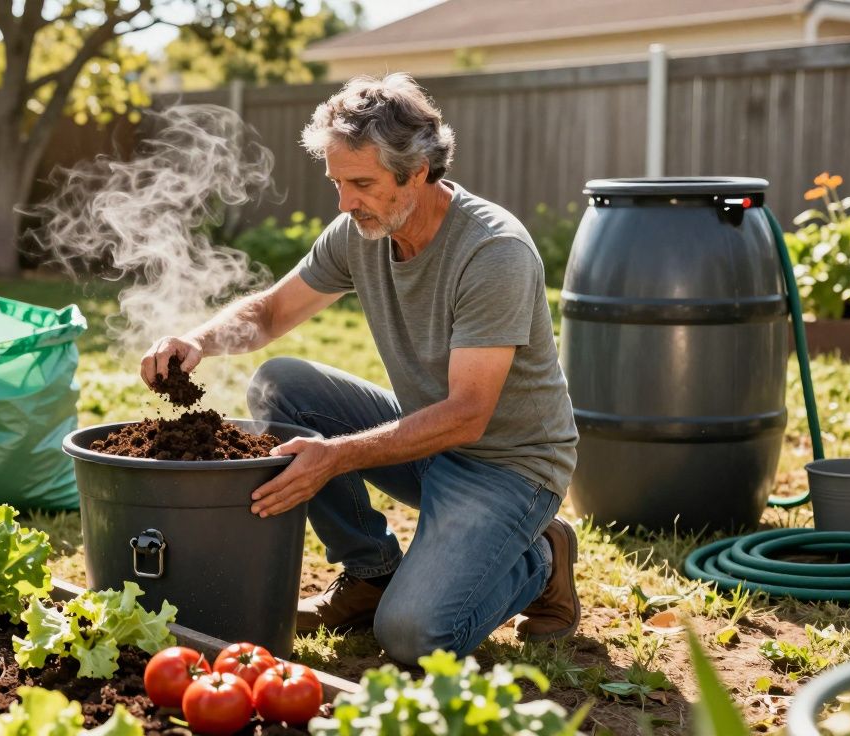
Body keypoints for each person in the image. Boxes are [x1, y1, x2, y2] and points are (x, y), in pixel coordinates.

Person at [139, 73, 580, 663]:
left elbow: (469, 416)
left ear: (419, 170)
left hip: (507, 466)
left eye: (362, 184)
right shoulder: (361, 230)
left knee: (414, 638)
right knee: (282, 385)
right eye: (338, 183)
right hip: (431, 438)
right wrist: (197, 339)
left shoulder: (493, 251)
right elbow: (270, 312)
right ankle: (370, 572)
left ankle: (542, 557)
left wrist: (336, 456)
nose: (345, 203)